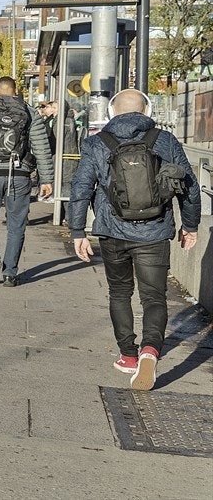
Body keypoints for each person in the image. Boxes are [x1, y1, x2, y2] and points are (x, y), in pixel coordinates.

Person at [69, 88, 200, 392]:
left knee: (119, 292)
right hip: (154, 232)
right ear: (147, 111)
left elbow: (80, 188)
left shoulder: (96, 143)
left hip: (112, 232)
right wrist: (189, 225)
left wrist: (78, 231)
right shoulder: (164, 140)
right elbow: (189, 186)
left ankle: (129, 354)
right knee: (154, 296)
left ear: (111, 112)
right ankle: (151, 351)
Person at [0, 77, 54, 287]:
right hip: (19, 174)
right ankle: (10, 273)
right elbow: (41, 148)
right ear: (16, 91)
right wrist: (46, 180)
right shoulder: (29, 111)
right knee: (16, 224)